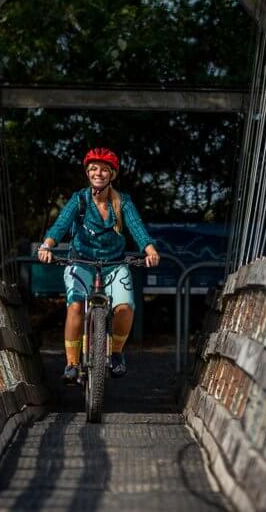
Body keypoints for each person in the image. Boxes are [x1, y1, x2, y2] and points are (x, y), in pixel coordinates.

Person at [36, 147, 160, 383]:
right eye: (93, 169)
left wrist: (150, 250)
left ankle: (115, 354)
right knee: (74, 307)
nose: (98, 173)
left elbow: (136, 227)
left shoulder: (122, 202)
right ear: (87, 173)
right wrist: (47, 245)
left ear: (112, 174)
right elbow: (61, 225)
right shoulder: (79, 199)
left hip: (114, 264)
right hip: (81, 261)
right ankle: (72, 363)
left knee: (125, 308)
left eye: (104, 170)